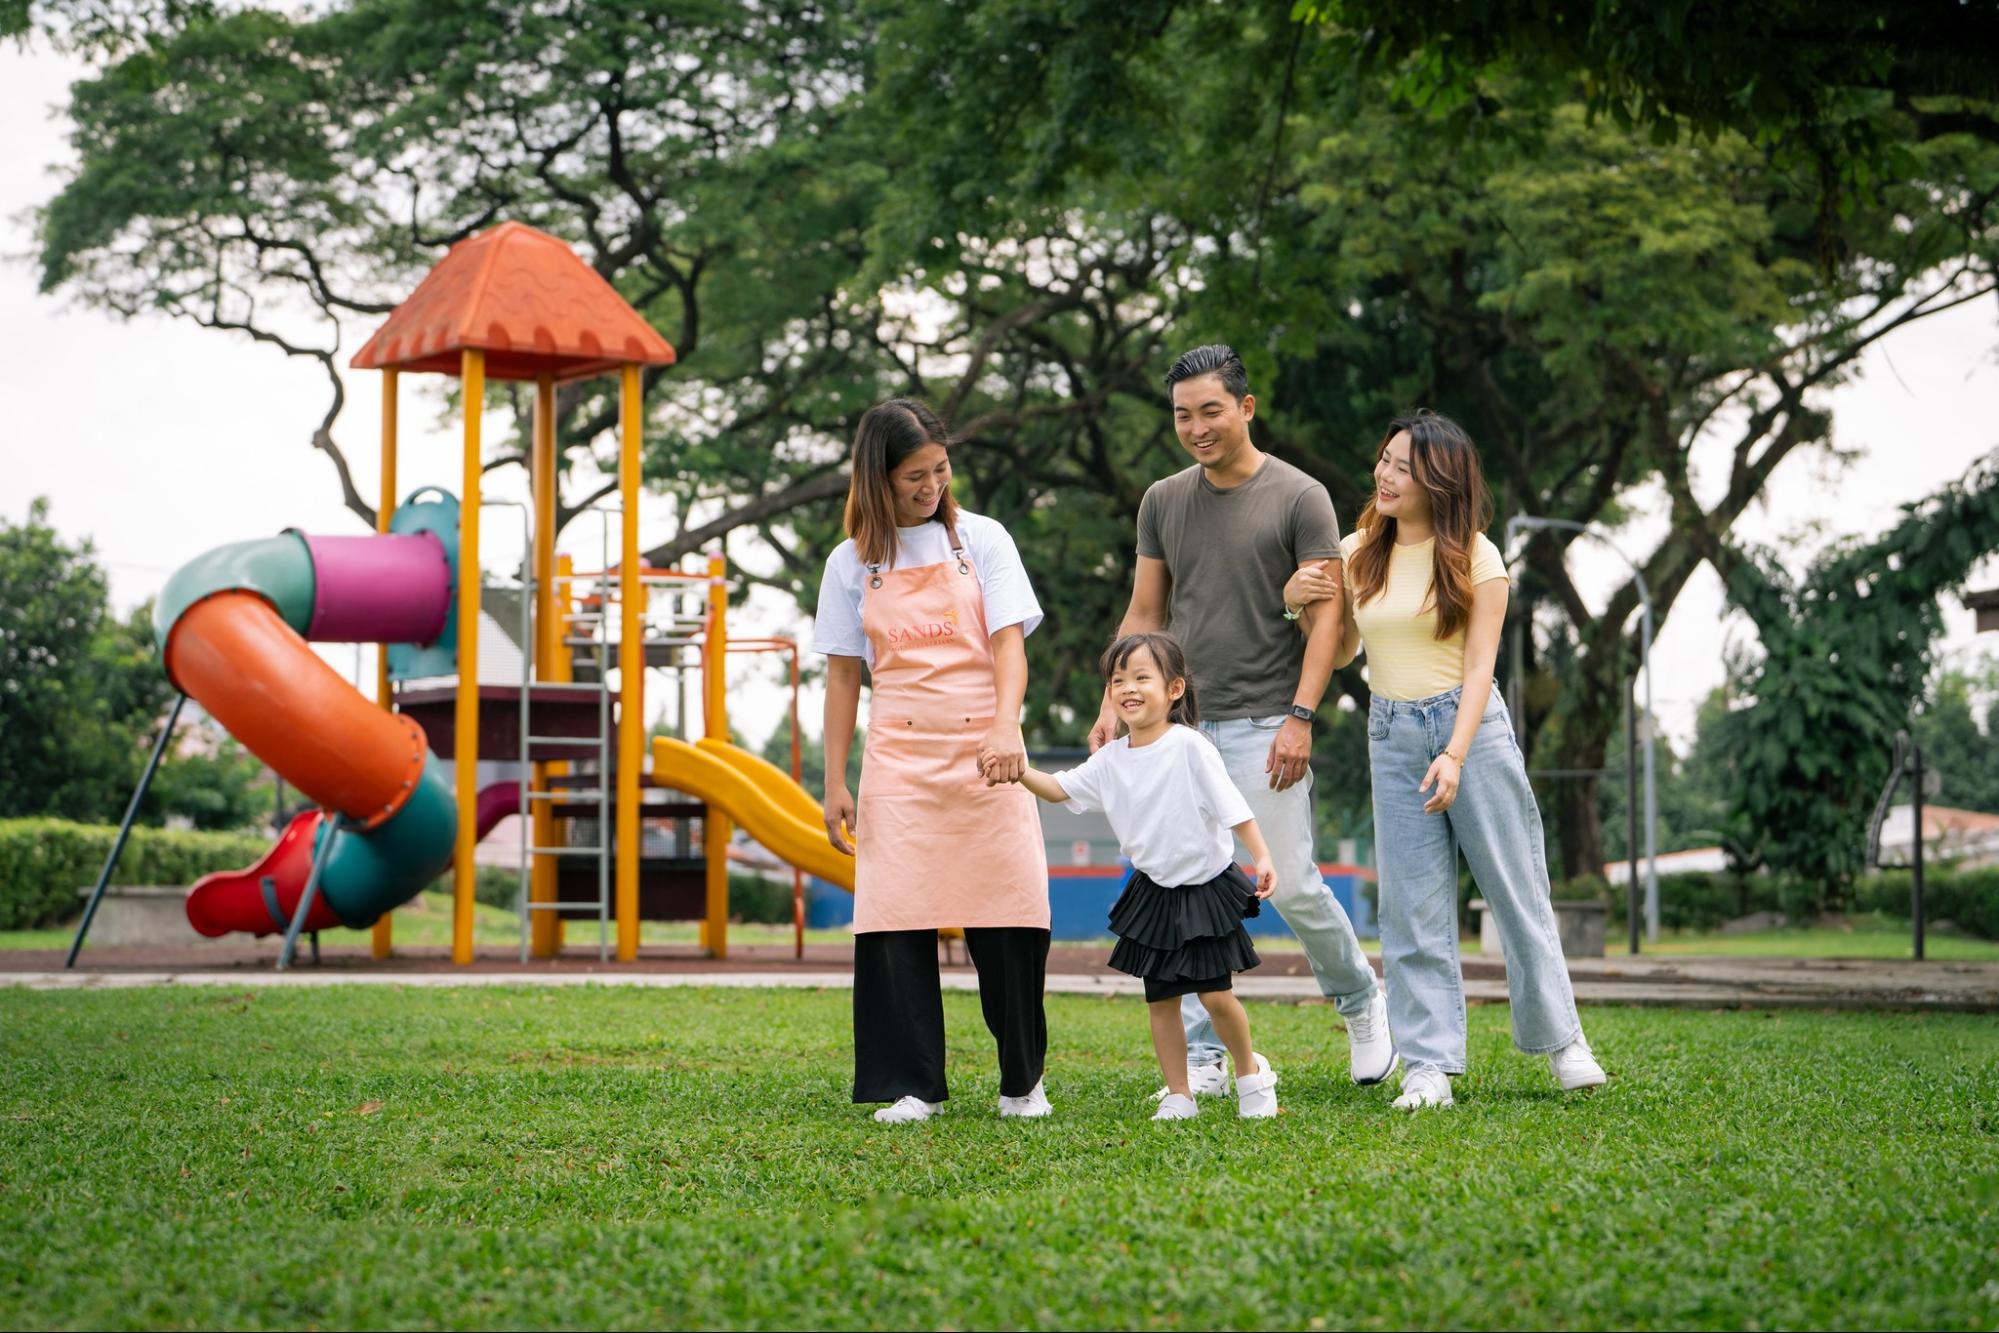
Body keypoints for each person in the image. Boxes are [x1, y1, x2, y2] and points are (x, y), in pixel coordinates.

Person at [1093, 344, 1396, 1098]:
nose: (1195, 427)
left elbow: (1325, 618)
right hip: (1179, 729)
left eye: (1210, 411)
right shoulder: (1162, 500)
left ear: (1246, 407)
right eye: (1181, 414)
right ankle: (1201, 1053)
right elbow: (1145, 610)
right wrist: (1114, 698)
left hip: (1268, 718)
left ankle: (1360, 999)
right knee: (1180, 886)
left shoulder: (1301, 496)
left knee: (1287, 882)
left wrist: (1300, 716)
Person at [1283, 409, 1607, 1109]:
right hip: (1391, 730)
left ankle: (1562, 1041)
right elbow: (1341, 653)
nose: (1385, 475)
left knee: (1514, 888)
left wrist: (1455, 752)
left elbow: (1481, 664)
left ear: (1439, 479)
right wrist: (1298, 605)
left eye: (1402, 465)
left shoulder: (1477, 556)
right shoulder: (1357, 548)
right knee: (1410, 907)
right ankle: (1427, 1066)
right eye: (1384, 460)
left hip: (1471, 727)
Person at [813, 398, 1054, 1125]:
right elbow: (842, 676)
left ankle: (1022, 1082)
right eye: (913, 476)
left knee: (1011, 914)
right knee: (894, 919)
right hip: (899, 755)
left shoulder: (981, 540)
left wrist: (1007, 725)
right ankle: (912, 1084)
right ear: (876, 480)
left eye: (939, 470)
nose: (930, 486)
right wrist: (833, 781)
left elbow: (1008, 642)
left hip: (987, 750)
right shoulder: (850, 561)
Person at [1007, 632, 1280, 1121]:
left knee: (1216, 995)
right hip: (1153, 894)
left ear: (1174, 689)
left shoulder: (1190, 747)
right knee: (1160, 1000)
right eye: (1117, 680)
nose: (1127, 688)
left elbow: (1232, 807)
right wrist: (1016, 765)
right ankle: (1180, 1094)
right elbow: (1055, 789)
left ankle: (1250, 1075)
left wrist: (1261, 856)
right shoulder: (1110, 760)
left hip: (1205, 887)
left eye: (1141, 677)